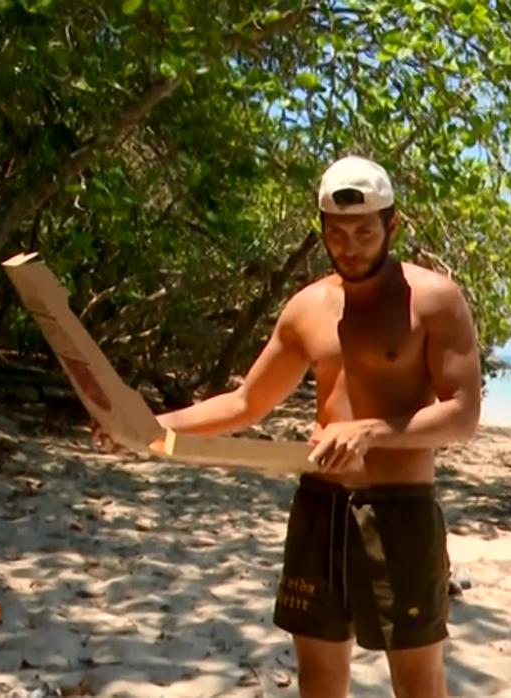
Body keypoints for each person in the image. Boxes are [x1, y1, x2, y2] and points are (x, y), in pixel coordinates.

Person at [152, 155, 481, 698]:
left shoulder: (433, 299)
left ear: (392, 226)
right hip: (318, 509)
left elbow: (463, 415)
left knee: (419, 684)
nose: (349, 246)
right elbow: (244, 402)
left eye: (364, 232)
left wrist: (372, 431)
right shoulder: (307, 308)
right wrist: (151, 424)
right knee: (321, 680)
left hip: (401, 513)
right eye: (336, 232)